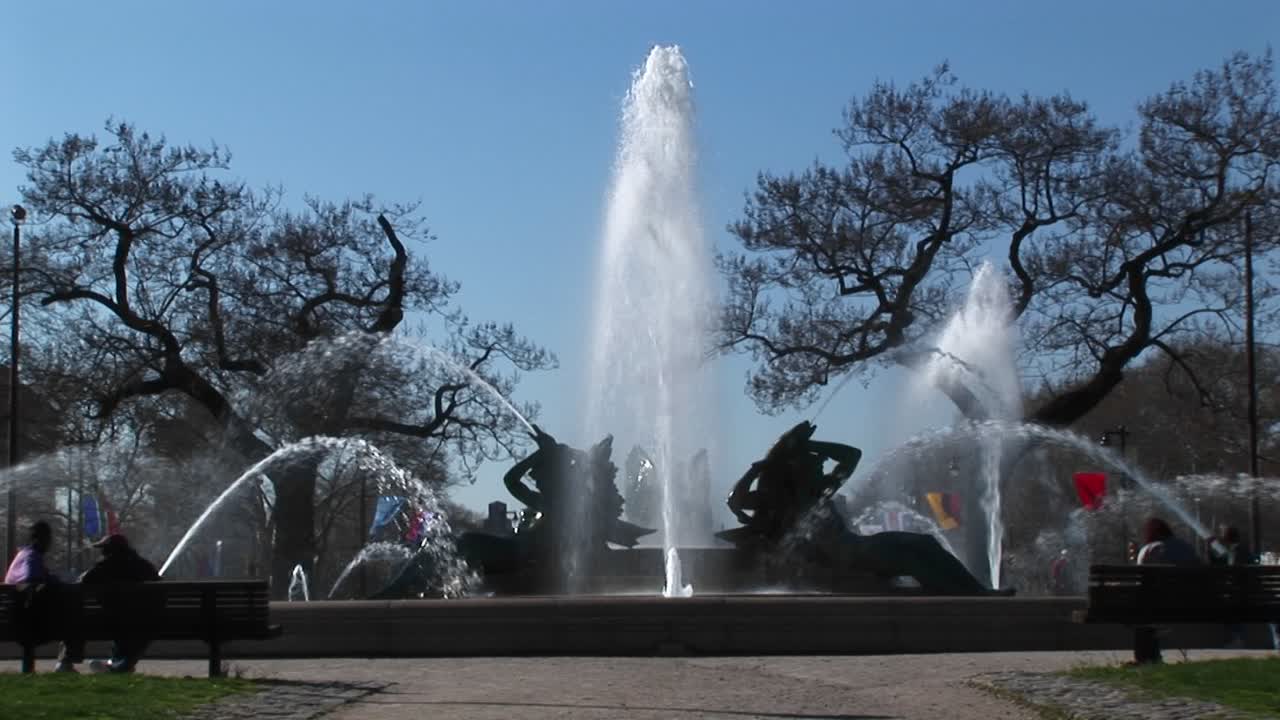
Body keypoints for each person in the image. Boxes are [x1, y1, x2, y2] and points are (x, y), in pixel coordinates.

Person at [63, 534, 161, 673]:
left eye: (104, 549)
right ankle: (121, 664)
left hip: (112, 620)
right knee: (134, 624)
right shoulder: (144, 565)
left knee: (79, 617)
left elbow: (82, 582)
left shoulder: (106, 566)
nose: (101, 553)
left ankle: (117, 664)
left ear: (110, 550)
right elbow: (158, 585)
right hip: (146, 620)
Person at [1132, 517, 1200, 664]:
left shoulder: (1150, 550)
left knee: (1143, 610)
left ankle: (1147, 658)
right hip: (1191, 603)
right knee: (1149, 609)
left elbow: (1142, 581)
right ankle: (1152, 657)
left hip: (1158, 605)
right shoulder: (1186, 547)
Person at [4, 520, 58, 585]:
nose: (49, 543)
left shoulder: (24, 553)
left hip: (15, 593)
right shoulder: (31, 556)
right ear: (38, 539)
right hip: (21, 594)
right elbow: (32, 578)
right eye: (47, 538)